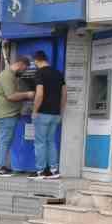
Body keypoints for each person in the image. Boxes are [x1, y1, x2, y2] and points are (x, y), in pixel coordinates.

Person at [0, 54, 34, 177]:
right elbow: (11, 96)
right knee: (4, 140)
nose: (24, 71)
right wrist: (28, 95)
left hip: (7, 113)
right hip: (6, 114)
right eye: (25, 69)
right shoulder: (7, 76)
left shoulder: (10, 75)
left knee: (4, 140)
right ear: (21, 64)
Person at [29, 50, 65, 181]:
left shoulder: (40, 73)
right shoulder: (58, 73)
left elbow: (39, 93)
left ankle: (41, 171)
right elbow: (64, 94)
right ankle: (53, 170)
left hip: (43, 113)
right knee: (51, 142)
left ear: (37, 60)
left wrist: (35, 110)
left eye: (34, 62)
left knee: (40, 143)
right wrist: (60, 111)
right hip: (55, 113)